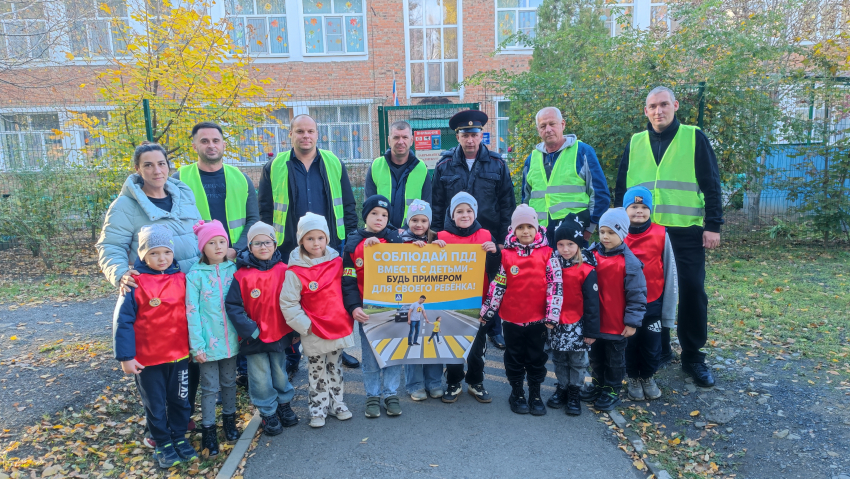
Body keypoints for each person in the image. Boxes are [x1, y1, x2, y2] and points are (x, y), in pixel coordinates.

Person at [614, 86, 723, 388]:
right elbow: (621, 189)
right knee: (644, 294)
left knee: (692, 291)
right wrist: (617, 228)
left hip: (684, 232)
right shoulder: (635, 142)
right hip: (642, 234)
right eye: (652, 106)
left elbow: (711, 183)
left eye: (664, 105)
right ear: (645, 111)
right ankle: (656, 350)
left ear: (675, 106)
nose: (658, 111)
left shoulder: (693, 137)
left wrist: (713, 225)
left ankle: (693, 356)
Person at [96, 142, 201, 448]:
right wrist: (120, 275)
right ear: (138, 170)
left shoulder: (183, 193)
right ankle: (156, 427)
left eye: (161, 163)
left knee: (187, 360)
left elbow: (197, 231)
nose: (157, 170)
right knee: (154, 367)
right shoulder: (125, 206)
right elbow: (109, 246)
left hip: (188, 289)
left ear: (169, 166)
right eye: (148, 165)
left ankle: (181, 417)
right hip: (153, 292)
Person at [257, 114, 361, 371]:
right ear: (290, 134)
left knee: (333, 299)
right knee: (294, 299)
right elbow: (265, 210)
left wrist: (349, 241)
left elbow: (348, 204)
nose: (306, 136)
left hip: (329, 246)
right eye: (300, 131)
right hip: (289, 246)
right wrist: (269, 245)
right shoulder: (275, 166)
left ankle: (337, 347)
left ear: (317, 134)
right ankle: (293, 354)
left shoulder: (333, 162)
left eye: (310, 131)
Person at [174, 122, 261, 388]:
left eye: (215, 140)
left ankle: (240, 372)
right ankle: (204, 370)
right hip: (195, 264)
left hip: (234, 260)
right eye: (204, 141)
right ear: (194, 145)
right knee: (201, 312)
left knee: (236, 309)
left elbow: (253, 219)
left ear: (223, 144)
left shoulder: (240, 178)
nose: (211, 145)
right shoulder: (179, 178)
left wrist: (237, 248)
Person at [113, 225, 197, 469]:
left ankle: (179, 437)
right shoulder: (133, 283)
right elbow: (123, 321)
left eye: (166, 253)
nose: (162, 259)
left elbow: (194, 313)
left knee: (181, 400)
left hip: (180, 356)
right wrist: (126, 356)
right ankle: (162, 442)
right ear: (142, 256)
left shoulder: (182, 278)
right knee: (156, 404)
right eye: (154, 253)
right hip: (148, 360)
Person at [431, 109, 515, 350]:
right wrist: (434, 238)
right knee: (455, 283)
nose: (470, 140)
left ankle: (493, 328)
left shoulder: (497, 164)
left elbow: (506, 204)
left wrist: (501, 241)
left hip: (487, 240)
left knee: (492, 282)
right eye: (465, 135)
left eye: (474, 134)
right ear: (457, 136)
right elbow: (437, 204)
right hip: (453, 238)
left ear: (481, 136)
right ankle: (454, 322)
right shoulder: (445, 165)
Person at [480, 204, 562, 416]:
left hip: (538, 320)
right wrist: (488, 312)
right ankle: (517, 391)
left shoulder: (548, 254)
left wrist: (553, 314)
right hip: (512, 319)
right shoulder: (506, 255)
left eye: (529, 226)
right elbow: (497, 286)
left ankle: (535, 393)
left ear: (536, 228)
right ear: (513, 230)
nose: (525, 231)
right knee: (514, 357)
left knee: (536, 358)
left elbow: (555, 285)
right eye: (520, 227)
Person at [280, 213, 355, 428]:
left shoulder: (337, 263)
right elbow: (288, 303)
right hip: (313, 329)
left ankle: (337, 403)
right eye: (310, 238)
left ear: (327, 239)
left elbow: (347, 288)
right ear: (301, 241)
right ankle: (318, 408)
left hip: (336, 325)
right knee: (316, 370)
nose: (316, 243)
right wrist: (306, 326)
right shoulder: (294, 271)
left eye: (320, 238)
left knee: (335, 367)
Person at [225, 222, 299, 436]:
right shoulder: (241, 275)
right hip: (254, 338)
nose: (263, 246)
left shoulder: (285, 271)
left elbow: (295, 302)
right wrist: (250, 330)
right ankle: (267, 411)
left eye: (267, 242)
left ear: (275, 245)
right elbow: (233, 306)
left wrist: (294, 331)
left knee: (279, 371)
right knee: (259, 376)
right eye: (257, 243)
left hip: (280, 334)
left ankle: (284, 404)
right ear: (249, 247)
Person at [342, 195, 404, 418]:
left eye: (384, 215)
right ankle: (372, 395)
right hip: (368, 311)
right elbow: (347, 279)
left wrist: (419, 247)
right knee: (370, 355)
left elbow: (411, 270)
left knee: (393, 352)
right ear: (365, 215)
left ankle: (390, 393)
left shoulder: (397, 240)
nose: (380, 218)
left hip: (394, 309)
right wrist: (353, 307)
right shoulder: (352, 243)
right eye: (374, 214)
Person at [436, 193, 502, 404]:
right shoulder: (442, 237)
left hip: (479, 303)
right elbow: (432, 270)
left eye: (469, 211)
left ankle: (475, 382)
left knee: (477, 349)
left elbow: (494, 271)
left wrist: (493, 253)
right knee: (454, 346)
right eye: (459, 211)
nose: (464, 215)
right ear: (452, 214)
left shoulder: (485, 235)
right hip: (451, 304)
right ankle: (454, 381)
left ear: (475, 213)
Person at [186, 220, 241, 456]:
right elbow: (192, 311)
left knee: (229, 382)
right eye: (212, 242)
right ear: (202, 247)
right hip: (207, 344)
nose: (218, 247)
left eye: (222, 242)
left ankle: (229, 420)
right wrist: (196, 344)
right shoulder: (195, 275)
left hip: (232, 340)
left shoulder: (234, 269)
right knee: (209, 387)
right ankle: (208, 429)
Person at [584, 208, 646, 411]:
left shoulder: (630, 263)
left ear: (622, 233)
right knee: (596, 357)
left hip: (616, 324)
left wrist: (632, 322)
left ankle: (612, 390)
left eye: (611, 232)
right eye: (602, 232)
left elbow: (637, 295)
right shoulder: (591, 255)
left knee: (614, 360)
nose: (605, 237)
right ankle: (598, 384)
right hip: (595, 322)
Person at [521, 107, 610, 245]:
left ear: (562, 124)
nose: (548, 129)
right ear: (538, 130)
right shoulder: (531, 159)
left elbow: (599, 194)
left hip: (574, 234)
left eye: (552, 124)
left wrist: (589, 229)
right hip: (539, 236)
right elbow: (525, 199)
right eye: (543, 126)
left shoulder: (582, 152)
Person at [623, 186, 678, 401]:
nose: (639, 211)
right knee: (630, 342)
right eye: (634, 206)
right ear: (625, 209)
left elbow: (670, 270)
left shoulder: (661, 233)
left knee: (651, 343)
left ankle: (647, 376)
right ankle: (633, 378)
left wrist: (669, 308)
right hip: (625, 303)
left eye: (644, 207)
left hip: (653, 300)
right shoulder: (617, 233)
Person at [546, 213, 600, 417]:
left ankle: (575, 391)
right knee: (559, 358)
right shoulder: (552, 266)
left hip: (578, 325)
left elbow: (593, 303)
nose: (565, 249)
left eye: (570, 244)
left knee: (578, 361)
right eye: (560, 244)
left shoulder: (586, 270)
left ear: (578, 244)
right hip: (557, 324)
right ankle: (562, 387)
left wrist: (591, 331)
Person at [399, 199, 445, 401]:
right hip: (408, 299)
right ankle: (414, 384)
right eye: (414, 220)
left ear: (429, 222)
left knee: (433, 343)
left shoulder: (435, 239)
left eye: (423, 220)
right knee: (413, 344)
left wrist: (440, 247)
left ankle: (434, 382)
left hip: (433, 298)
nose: (419, 224)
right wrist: (408, 247)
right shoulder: (399, 240)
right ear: (408, 221)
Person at [364, 120, 432, 229]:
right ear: (389, 141)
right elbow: (369, 205)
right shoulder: (376, 166)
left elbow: (427, 207)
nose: (400, 142)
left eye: (405, 137)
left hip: (412, 235)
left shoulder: (421, 168)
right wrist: (389, 232)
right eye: (396, 137)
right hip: (380, 234)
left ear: (411, 140)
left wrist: (406, 230)